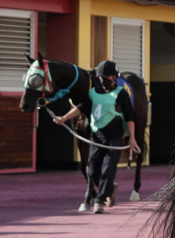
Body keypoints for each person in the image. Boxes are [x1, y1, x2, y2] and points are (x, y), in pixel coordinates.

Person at [52, 60, 139, 214]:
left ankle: (99, 200)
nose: (102, 80)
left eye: (105, 77)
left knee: (108, 170)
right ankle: (110, 189)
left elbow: (129, 117)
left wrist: (132, 138)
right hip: (97, 137)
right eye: (100, 77)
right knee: (92, 170)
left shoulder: (121, 94)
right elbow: (80, 108)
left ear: (113, 77)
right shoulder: (93, 93)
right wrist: (63, 118)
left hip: (114, 138)